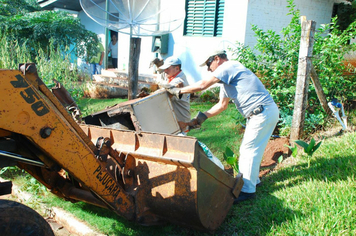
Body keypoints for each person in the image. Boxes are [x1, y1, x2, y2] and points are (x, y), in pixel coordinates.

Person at [167, 49, 279, 203]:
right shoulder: (227, 80)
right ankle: (253, 182)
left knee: (248, 150)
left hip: (262, 112)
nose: (208, 69)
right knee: (252, 149)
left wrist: (177, 91)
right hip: (263, 112)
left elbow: (203, 85)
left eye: (208, 64)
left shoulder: (229, 66)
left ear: (217, 59)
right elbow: (221, 106)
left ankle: (247, 191)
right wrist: (197, 120)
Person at [158, 56, 191, 135]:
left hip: (181, 120)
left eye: (167, 68)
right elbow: (162, 78)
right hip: (173, 118)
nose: (165, 71)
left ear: (177, 68)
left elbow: (163, 93)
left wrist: (159, 83)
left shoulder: (179, 81)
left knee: (178, 143)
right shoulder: (171, 76)